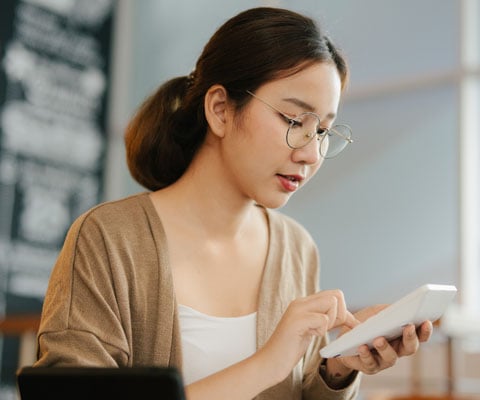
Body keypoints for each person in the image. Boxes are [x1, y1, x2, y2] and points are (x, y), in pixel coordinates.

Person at [35, 6, 433, 400]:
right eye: (295, 121)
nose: (312, 155)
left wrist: (338, 366)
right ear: (221, 110)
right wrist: (267, 364)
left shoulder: (297, 248)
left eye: (324, 130)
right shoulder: (108, 238)